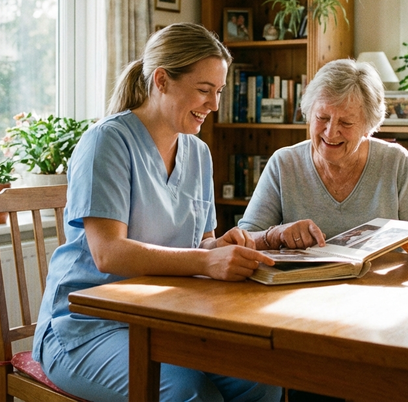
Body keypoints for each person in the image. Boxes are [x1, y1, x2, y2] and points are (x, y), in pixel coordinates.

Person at [32, 23, 281, 402]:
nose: (213, 105)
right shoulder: (108, 142)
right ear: (162, 80)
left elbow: (200, 242)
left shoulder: (197, 153)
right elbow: (108, 253)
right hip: (85, 329)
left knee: (261, 382)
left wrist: (216, 248)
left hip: (161, 319)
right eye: (203, 90)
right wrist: (205, 260)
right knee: (191, 395)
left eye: (218, 92)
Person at [237, 58, 408, 402]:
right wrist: (276, 234)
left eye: (346, 123)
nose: (330, 131)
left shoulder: (393, 162)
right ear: (309, 114)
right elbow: (245, 239)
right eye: (322, 118)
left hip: (379, 316)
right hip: (300, 317)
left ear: (369, 125)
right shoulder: (284, 163)